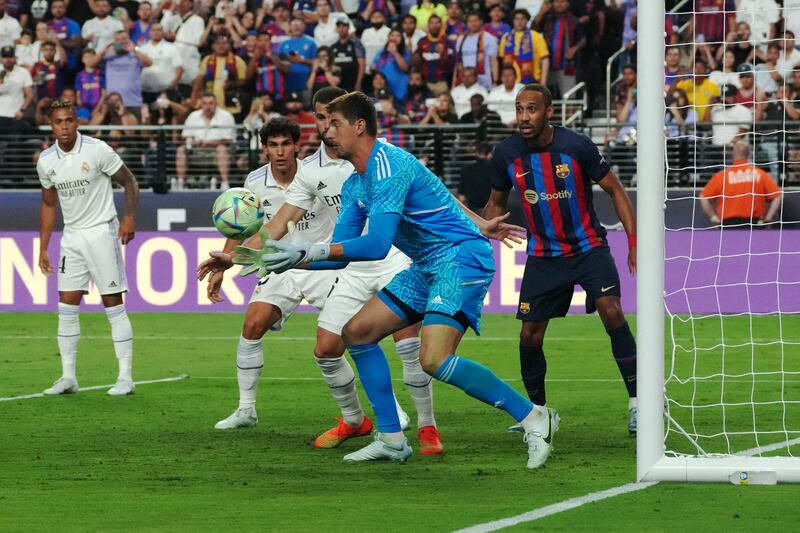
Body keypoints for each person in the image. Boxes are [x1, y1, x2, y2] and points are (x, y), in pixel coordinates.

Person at [229, 92, 551, 469]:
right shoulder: (356, 183)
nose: (325, 132)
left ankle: (533, 417)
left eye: (334, 124)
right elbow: (342, 252)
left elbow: (377, 245)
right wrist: (285, 260)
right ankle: (392, 438)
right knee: (358, 332)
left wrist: (305, 252)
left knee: (433, 358)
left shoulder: (387, 167)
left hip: (460, 258)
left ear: (359, 126)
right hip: (425, 263)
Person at [199, 88, 444, 454]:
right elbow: (276, 226)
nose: (327, 127)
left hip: (391, 258)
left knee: (409, 346)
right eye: (321, 119)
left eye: (333, 119)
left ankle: (426, 428)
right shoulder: (310, 172)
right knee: (327, 348)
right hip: (343, 265)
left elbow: (433, 193)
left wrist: (476, 224)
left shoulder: (376, 158)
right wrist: (234, 258)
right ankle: (356, 420)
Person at [484, 84, 639, 436]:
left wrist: (633, 240)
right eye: (519, 109)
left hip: (588, 247)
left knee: (611, 309)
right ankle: (538, 413)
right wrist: (481, 232)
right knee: (529, 335)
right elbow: (494, 205)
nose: (524, 117)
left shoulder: (576, 146)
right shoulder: (506, 154)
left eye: (532, 110)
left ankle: (639, 402)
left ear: (549, 112)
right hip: (543, 255)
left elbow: (615, 189)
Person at [36, 99, 140, 397]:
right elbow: (48, 204)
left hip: (101, 233)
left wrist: (129, 217)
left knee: (113, 304)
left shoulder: (97, 150)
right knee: (66, 306)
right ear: (51, 125)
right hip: (72, 237)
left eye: (69, 120)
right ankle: (68, 377)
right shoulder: (46, 161)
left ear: (77, 122)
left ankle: (125, 377)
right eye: (59, 121)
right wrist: (44, 247)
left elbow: (129, 182)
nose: (64, 126)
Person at [700, 142, 782, 227]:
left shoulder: (722, 176)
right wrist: (768, 218)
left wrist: (713, 217)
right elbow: (777, 196)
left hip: (728, 224)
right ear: (748, 155)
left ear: (733, 155)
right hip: (754, 223)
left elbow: (703, 197)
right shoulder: (760, 174)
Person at [175, 93, 235, 190]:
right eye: (205, 103)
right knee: (181, 149)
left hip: (216, 151)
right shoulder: (193, 116)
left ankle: (225, 183)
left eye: (211, 103)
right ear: (201, 104)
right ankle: (181, 182)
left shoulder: (226, 116)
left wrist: (209, 143)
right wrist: (194, 142)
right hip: (196, 151)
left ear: (216, 104)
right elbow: (185, 136)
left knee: (222, 149)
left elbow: (228, 139)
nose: (208, 107)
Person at [537, 0, 585, 97]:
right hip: (547, 65)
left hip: (567, 65)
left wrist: (574, 49)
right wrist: (541, 12)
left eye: (562, 2)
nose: (559, 4)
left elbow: (583, 39)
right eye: (557, 2)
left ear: (568, 4)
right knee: (545, 98)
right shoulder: (547, 18)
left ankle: (570, 112)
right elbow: (534, 29)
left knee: (569, 97)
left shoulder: (573, 20)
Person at [102, 30, 152, 115]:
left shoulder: (135, 55)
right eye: (118, 39)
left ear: (129, 39)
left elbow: (149, 62)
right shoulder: (108, 56)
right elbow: (91, 63)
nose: (121, 41)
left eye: (124, 39)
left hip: (133, 102)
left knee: (133, 128)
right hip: (112, 102)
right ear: (114, 41)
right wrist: (104, 49)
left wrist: (134, 50)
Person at [499, 8, 549, 86]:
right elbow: (502, 61)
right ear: (513, 21)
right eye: (517, 19)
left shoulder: (536, 36)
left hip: (531, 81)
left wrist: (543, 81)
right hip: (511, 83)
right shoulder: (506, 38)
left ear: (527, 20)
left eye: (523, 18)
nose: (519, 22)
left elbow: (545, 60)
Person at [139, 22, 184, 104]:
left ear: (163, 32)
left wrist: (174, 82)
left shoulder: (171, 48)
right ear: (149, 32)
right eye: (153, 30)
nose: (156, 32)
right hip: (145, 91)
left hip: (166, 91)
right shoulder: (142, 49)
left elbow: (179, 67)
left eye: (159, 30)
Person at [453, 11, 498, 90]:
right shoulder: (461, 39)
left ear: (481, 21)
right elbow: (457, 64)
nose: (473, 24)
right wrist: (453, 83)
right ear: (467, 23)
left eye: (475, 21)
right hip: (465, 82)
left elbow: (494, 62)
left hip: (484, 81)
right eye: (470, 21)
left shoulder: (489, 38)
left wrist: (495, 81)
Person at [279, 17, 317, 97]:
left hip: (305, 79)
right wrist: (288, 60)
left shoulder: (311, 43)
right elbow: (279, 61)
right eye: (294, 24)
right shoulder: (283, 44)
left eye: (299, 24)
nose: (296, 27)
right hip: (288, 79)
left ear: (304, 26)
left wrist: (301, 60)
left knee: (306, 105)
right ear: (290, 27)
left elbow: (316, 61)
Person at [0, 45, 34, 132]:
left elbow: (29, 95)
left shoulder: (23, 72)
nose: (7, 59)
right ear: (1, 58)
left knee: (13, 144)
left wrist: (22, 111)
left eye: (10, 56)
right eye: (5, 57)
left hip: (15, 115)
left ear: (15, 58)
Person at [372, 28, 411, 102]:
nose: (395, 37)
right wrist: (373, 67)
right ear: (388, 38)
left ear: (402, 39)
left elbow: (405, 68)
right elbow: (374, 66)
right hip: (383, 89)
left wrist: (395, 53)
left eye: (398, 36)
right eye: (392, 35)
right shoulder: (381, 52)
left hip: (399, 89)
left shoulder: (405, 51)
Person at [330, 18, 365, 92]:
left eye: (344, 26)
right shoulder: (333, 47)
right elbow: (332, 65)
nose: (341, 29)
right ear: (336, 29)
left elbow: (362, 65)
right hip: (338, 85)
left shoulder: (356, 44)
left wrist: (358, 83)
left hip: (353, 84)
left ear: (348, 28)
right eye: (339, 27)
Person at [457, 141, 492, 212]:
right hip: (490, 211)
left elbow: (461, 197)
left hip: (473, 212)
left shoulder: (466, 170)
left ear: (476, 153)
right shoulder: (495, 170)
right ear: (489, 154)